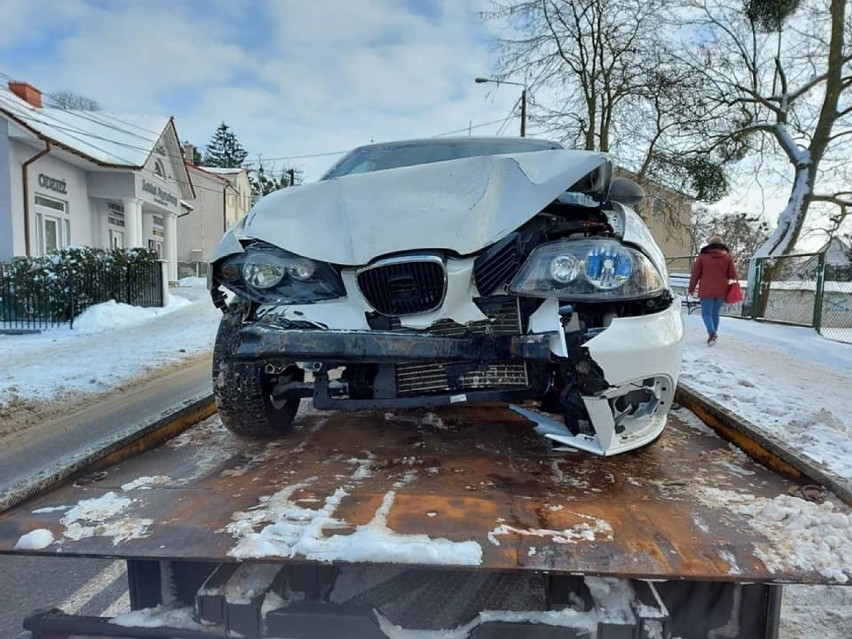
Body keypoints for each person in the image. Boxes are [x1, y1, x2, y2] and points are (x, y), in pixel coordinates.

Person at [688, 236, 738, 346]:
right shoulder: (728, 257)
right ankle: (713, 336)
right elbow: (732, 275)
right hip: (722, 289)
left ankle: (712, 334)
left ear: (709, 245)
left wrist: (691, 288)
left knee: (706, 313)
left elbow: (695, 274)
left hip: (706, 289)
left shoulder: (703, 257)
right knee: (715, 314)